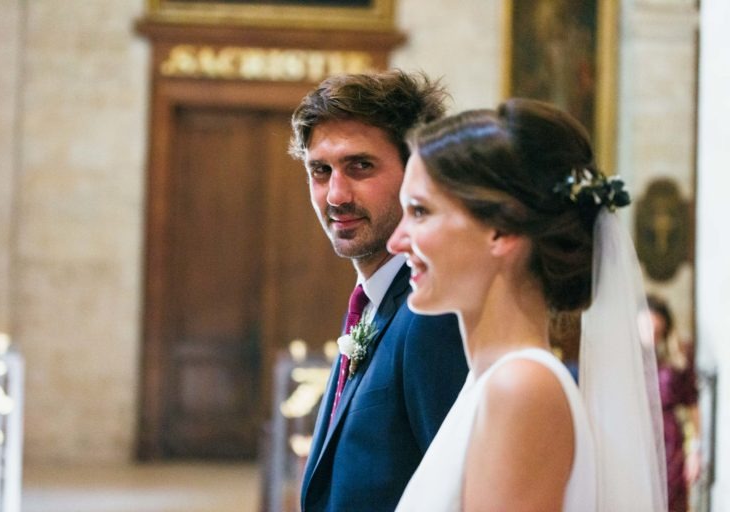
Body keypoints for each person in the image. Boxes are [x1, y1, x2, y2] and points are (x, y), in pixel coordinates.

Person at [388, 98, 667, 511]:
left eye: (420, 212)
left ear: (500, 230)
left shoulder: (520, 388)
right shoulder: (490, 382)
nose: (397, 241)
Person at [288, 70, 469, 512]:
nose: (335, 194)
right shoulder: (376, 301)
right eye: (320, 170)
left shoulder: (431, 316)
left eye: (360, 166)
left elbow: (457, 492)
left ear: (417, 173)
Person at [647, 294, 702, 512]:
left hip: (670, 444)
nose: (651, 335)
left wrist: (695, 451)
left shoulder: (675, 361)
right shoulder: (625, 364)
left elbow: (692, 404)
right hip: (637, 439)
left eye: (657, 331)